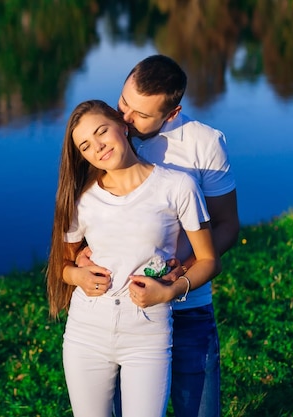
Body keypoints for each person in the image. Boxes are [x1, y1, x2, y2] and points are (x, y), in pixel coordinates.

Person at [71, 55, 240, 417]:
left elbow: (227, 224)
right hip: (120, 312)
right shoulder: (109, 134)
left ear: (173, 112)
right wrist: (80, 257)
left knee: (197, 408)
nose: (126, 121)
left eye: (141, 115)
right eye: (123, 104)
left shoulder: (204, 144)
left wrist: (181, 275)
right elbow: (91, 208)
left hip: (187, 305)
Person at [46, 99, 221, 417]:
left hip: (148, 331)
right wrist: (78, 277)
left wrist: (170, 291)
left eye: (102, 132)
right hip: (86, 330)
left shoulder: (178, 186)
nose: (97, 147)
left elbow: (209, 260)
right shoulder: (83, 199)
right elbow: (62, 265)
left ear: (122, 126)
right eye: (86, 146)